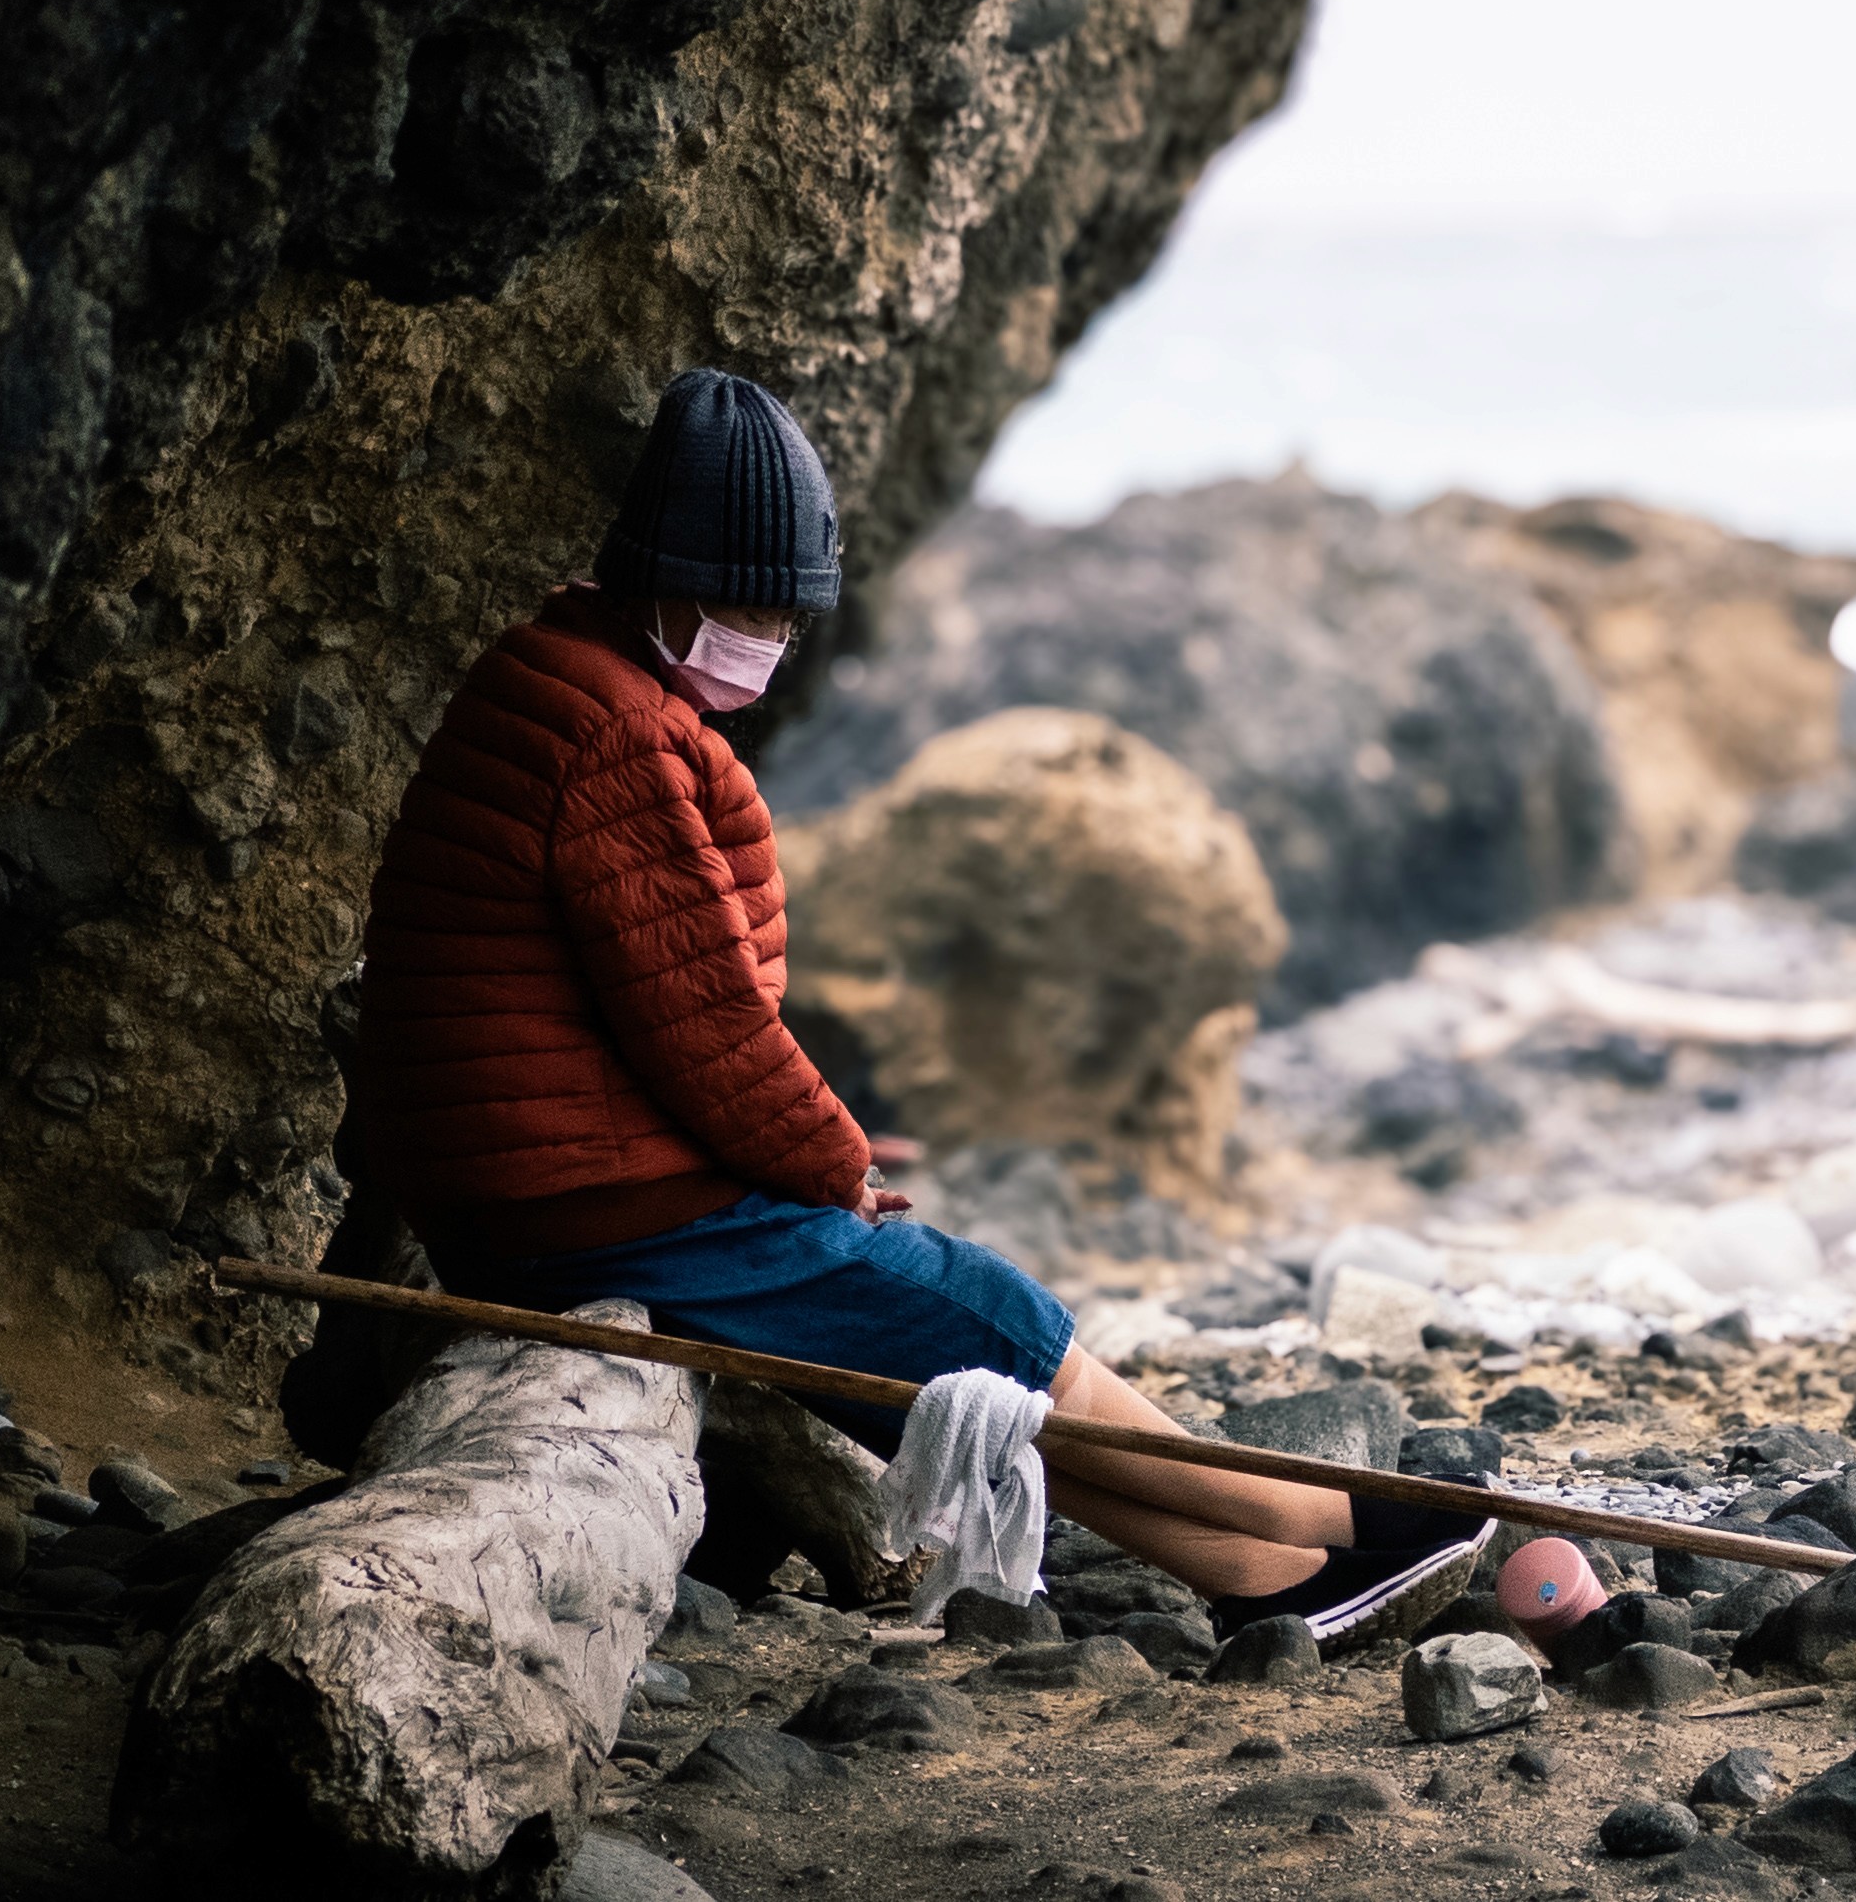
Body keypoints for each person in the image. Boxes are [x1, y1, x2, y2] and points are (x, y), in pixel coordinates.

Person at [349, 367, 1486, 1644]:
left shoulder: (551, 678)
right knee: (976, 1315)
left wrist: (814, 1167)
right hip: (585, 1208)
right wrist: (837, 1169)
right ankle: (1345, 1518)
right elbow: (707, 1030)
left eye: (782, 615)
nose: (765, 638)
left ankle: (1272, 1579)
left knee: (944, 1368)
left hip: (519, 1186)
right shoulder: (620, 736)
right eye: (741, 608)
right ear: (660, 580)